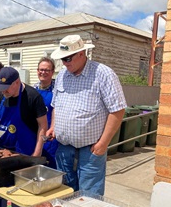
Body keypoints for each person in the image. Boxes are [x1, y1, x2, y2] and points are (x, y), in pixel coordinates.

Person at [47, 35, 127, 195]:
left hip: (90, 150)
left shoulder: (103, 74)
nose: (64, 63)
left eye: (68, 58)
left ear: (81, 54)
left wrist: (103, 144)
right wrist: (53, 127)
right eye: (62, 59)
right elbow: (56, 105)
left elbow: (117, 110)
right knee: (65, 194)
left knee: (89, 198)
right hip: (64, 148)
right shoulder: (62, 75)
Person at [0, 67, 48, 157]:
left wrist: (37, 154)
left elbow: (43, 126)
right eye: (1, 87)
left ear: (17, 82)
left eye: (6, 88)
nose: (3, 91)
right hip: (2, 149)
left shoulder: (33, 97)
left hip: (25, 152)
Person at [33, 57, 59, 169]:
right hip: (35, 134)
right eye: (41, 69)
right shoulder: (33, 89)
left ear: (52, 72)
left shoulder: (57, 90)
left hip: (51, 136)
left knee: (50, 166)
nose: (43, 72)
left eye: (47, 70)